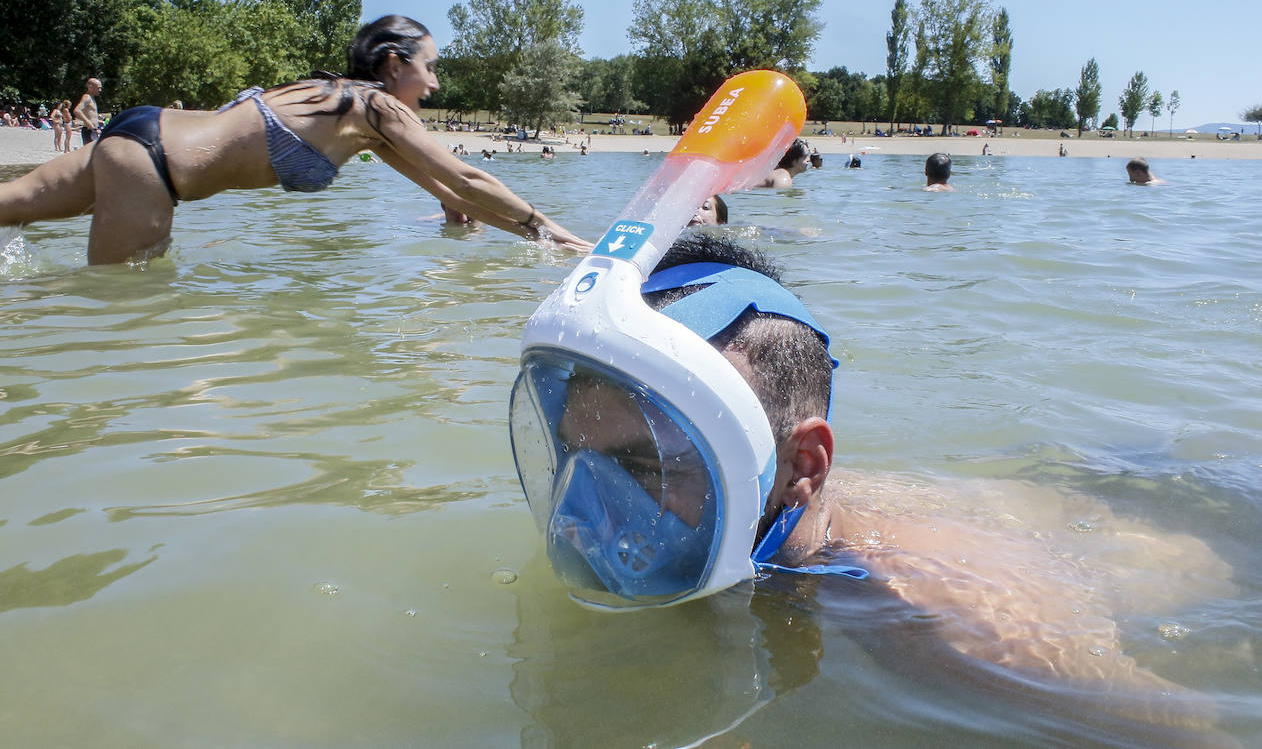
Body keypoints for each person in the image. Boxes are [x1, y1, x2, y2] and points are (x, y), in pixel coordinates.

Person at [511, 233, 1233, 726]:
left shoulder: (942, 621)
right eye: (581, 456)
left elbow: (1189, 731)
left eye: (647, 465)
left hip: (1176, 548)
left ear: (803, 465)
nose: (587, 512)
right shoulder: (759, 514)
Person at [0, 15, 590, 264]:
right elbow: (467, 177)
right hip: (154, 176)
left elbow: (449, 191)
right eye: (430, 66)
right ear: (395, 63)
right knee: (108, 314)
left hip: (141, 132)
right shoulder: (375, 105)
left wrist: (468, 230)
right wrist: (557, 236)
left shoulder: (342, 106)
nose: (434, 83)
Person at [74, 77, 103, 145]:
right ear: (90, 87)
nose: (100, 90)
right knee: (89, 153)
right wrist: (88, 122)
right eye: (98, 88)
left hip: (93, 130)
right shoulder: (87, 97)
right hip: (89, 130)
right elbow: (77, 110)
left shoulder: (92, 98)